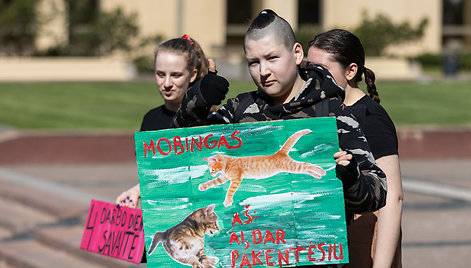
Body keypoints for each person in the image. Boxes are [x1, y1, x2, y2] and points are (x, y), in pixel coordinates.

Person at [173, 9, 387, 221]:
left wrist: (352, 179)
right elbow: (178, 151)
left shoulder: (333, 113)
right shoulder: (238, 110)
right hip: (251, 247)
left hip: (314, 249)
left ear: (297, 53)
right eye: (254, 62)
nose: (263, 71)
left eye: (272, 58)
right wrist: (197, 101)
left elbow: (378, 192)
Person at [307, 29, 402, 268]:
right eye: (308, 69)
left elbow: (393, 198)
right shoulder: (320, 110)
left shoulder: (370, 117)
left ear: (351, 71)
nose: (311, 77)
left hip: (361, 244)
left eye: (321, 70)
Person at [115, 35, 209, 208]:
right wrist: (135, 192)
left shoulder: (208, 120)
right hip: (163, 216)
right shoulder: (150, 119)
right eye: (160, 74)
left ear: (193, 74)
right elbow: (154, 177)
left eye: (175, 75)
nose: (167, 83)